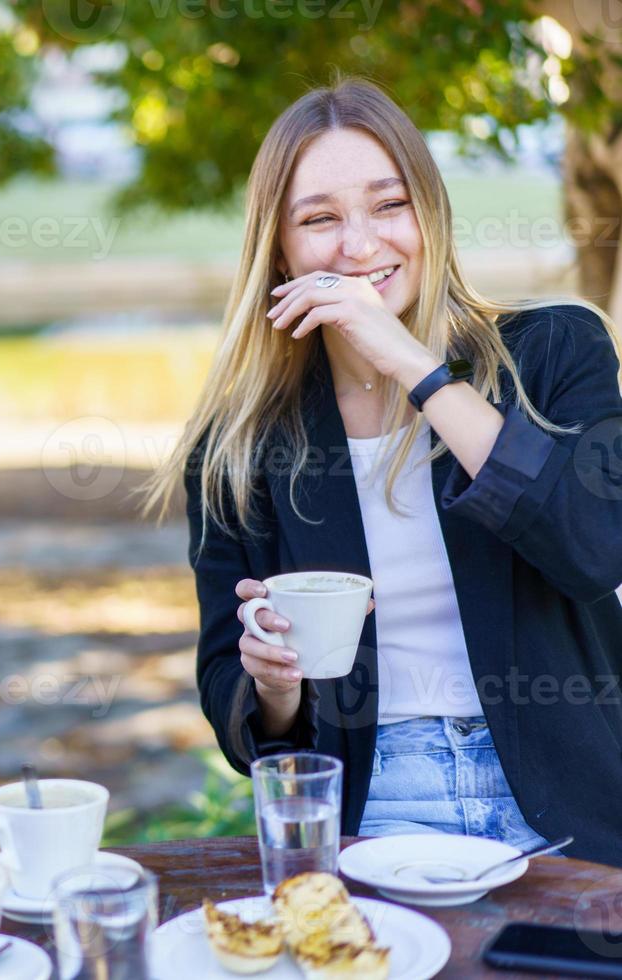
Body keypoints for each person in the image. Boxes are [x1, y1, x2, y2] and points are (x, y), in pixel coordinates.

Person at [145, 78, 622, 866]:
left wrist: (411, 361)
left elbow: (591, 544)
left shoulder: (556, 351)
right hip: (376, 806)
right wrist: (272, 684)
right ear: (281, 249)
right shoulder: (240, 443)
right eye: (320, 219)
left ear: (429, 213)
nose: (360, 247)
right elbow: (241, 711)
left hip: (574, 791)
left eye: (388, 206)